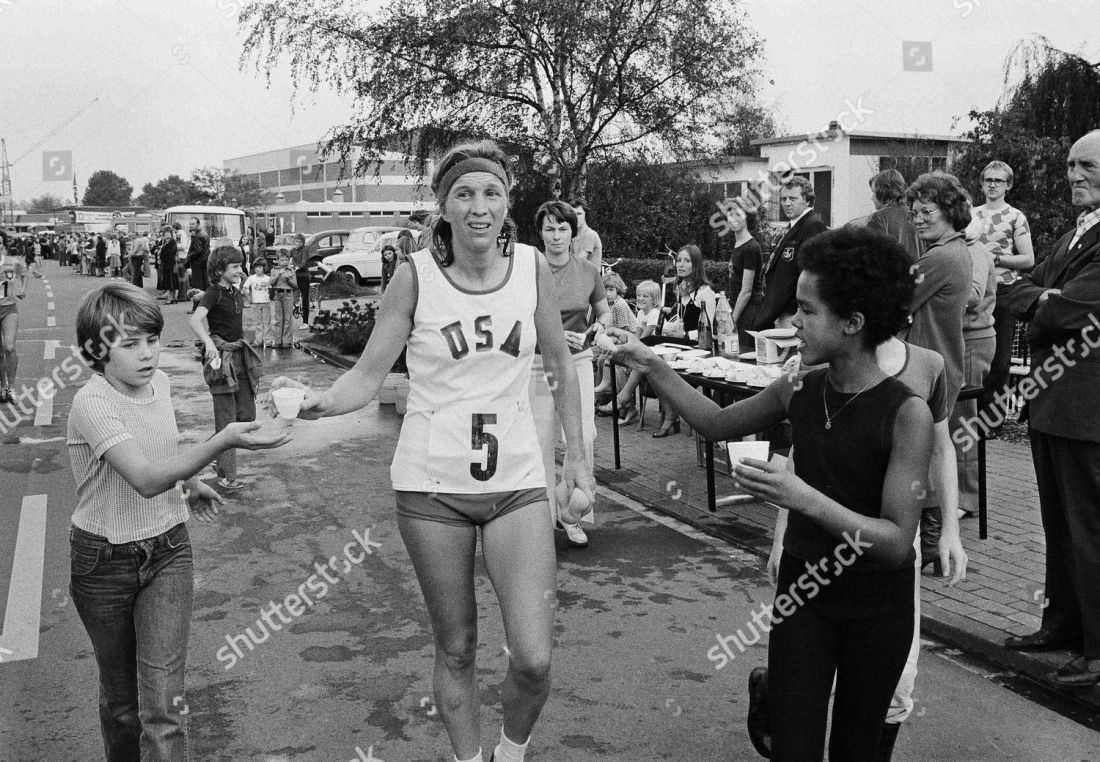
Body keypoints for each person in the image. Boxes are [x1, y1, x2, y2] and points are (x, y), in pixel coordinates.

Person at [268, 139, 594, 762]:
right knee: (458, 647)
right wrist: (310, 404)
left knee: (533, 656)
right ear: (443, 206)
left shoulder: (530, 268)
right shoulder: (413, 277)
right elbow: (367, 377)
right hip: (431, 490)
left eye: (491, 192)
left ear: (508, 203)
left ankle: (511, 751)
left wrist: (576, 459)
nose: (479, 207)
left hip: (519, 483)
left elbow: (560, 364)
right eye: (463, 194)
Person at [602, 225, 934, 760]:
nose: (791, 321)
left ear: (852, 323)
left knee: (858, 749)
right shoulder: (799, 384)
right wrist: (652, 364)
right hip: (804, 592)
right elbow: (714, 422)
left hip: (877, 608)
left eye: (806, 311)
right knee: (793, 746)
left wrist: (799, 496)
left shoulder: (906, 413)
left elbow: (897, 542)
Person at [67, 282, 289, 761]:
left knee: (164, 706)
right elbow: (144, 478)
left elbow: (159, 451)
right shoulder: (93, 402)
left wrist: (188, 484)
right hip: (103, 561)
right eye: (130, 345)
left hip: (168, 550)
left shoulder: (161, 383)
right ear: (98, 352)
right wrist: (223, 440)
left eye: (152, 339)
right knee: (123, 705)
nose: (147, 354)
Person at [766, 332, 968, 759]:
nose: (798, 321)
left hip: (888, 545)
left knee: (896, 686)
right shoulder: (816, 375)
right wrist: (781, 535)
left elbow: (942, 447)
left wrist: (951, 527)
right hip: (816, 560)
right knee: (801, 697)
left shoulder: (927, 367)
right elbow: (802, 457)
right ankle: (773, 697)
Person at [1001, 130, 1100, 688]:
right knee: (1059, 526)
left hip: (1086, 410)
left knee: (1090, 529)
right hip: (1052, 402)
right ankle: (1061, 626)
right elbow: (1019, 293)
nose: (1073, 175)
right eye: (1069, 165)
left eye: (1087, 165)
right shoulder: (1071, 237)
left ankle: (1098, 650)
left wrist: (1041, 302)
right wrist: (1045, 302)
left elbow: (1074, 312)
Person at [530, 199, 611, 548]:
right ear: (541, 233)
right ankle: (543, 520)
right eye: (550, 228)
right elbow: (516, 321)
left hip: (577, 361)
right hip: (537, 364)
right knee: (541, 438)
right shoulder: (528, 271)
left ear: (573, 232)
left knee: (585, 436)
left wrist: (598, 330)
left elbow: (604, 313)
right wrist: (551, 333)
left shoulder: (588, 271)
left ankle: (572, 512)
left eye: (563, 228)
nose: (557, 235)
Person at [903, 171, 972, 557]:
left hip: (929, 368)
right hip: (944, 362)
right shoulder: (957, 251)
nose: (918, 218)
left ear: (949, 210)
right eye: (914, 212)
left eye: (927, 211)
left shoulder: (940, 257)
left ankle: (930, 542)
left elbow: (896, 302)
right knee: (932, 451)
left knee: (927, 454)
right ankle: (931, 541)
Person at [190, 246, 262, 492]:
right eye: (234, 267)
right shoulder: (214, 293)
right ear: (220, 269)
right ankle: (225, 476)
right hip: (221, 359)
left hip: (240, 355)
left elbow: (238, 305)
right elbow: (195, 320)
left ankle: (212, 452)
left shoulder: (232, 291)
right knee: (227, 421)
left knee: (247, 415)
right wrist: (208, 343)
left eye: (240, 266)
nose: (240, 270)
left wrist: (235, 286)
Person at [972, 160, 1035, 438]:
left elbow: (1028, 259)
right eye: (989, 180)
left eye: (999, 180)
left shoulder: (1015, 217)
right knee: (974, 356)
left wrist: (994, 257)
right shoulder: (972, 215)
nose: (993, 185)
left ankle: (991, 424)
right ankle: (970, 419)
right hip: (975, 293)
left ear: (1008, 184)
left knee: (1000, 360)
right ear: (982, 183)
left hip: (1004, 292)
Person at [954, 223, 998, 518]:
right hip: (961, 339)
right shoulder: (959, 250)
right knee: (958, 418)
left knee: (965, 420)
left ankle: (967, 498)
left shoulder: (976, 252)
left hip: (973, 339)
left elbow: (973, 295)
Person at [653, 244, 717, 437]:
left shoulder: (705, 292)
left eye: (686, 261)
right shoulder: (681, 289)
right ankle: (672, 414)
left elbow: (709, 329)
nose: (681, 264)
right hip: (679, 345)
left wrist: (685, 335)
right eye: (679, 260)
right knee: (652, 365)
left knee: (663, 369)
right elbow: (681, 320)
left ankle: (671, 416)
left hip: (697, 347)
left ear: (695, 264)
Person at [754, 176, 828, 331]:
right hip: (780, 313)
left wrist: (796, 310)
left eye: (793, 198)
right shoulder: (794, 226)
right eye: (784, 199)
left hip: (793, 316)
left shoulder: (812, 226)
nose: (787, 203)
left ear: (807, 200)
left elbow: (811, 275)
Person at [592, 271, 637, 403]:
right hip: (614, 336)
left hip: (628, 337)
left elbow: (624, 331)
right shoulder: (606, 305)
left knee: (603, 357)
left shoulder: (620, 305)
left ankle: (606, 387)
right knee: (591, 356)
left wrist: (608, 341)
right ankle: (601, 396)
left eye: (611, 289)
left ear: (618, 291)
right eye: (604, 289)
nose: (607, 293)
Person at [725, 202, 763, 350]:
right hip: (737, 306)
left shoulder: (751, 247)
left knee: (744, 352)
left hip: (749, 309)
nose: (733, 219)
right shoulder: (738, 244)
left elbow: (746, 291)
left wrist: (732, 320)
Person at [866, 169, 923, 264]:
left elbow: (872, 259)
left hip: (894, 276)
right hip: (919, 275)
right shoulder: (916, 215)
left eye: (874, 192)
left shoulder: (878, 218)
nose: (871, 198)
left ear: (883, 192)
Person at [1, 241, 28, 403]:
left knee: (9, 348)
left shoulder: (12, 262)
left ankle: (11, 388)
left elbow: (24, 273)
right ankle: (3, 386)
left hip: (9, 309)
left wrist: (23, 289)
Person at [268, 251, 298, 349]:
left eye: (286, 260)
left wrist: (288, 280)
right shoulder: (274, 270)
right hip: (277, 294)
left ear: (289, 260)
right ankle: (278, 341)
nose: (284, 262)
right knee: (278, 319)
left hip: (288, 294)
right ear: (278, 260)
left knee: (287, 318)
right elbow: (271, 282)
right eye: (282, 260)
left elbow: (295, 285)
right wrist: (278, 275)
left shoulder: (291, 270)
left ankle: (287, 341)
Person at [242, 259, 273, 348]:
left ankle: (268, 340)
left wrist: (269, 297)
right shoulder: (251, 278)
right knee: (258, 323)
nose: (257, 269)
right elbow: (244, 288)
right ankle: (258, 340)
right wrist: (249, 298)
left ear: (264, 268)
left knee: (267, 323)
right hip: (255, 303)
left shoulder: (268, 278)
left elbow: (270, 290)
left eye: (259, 267)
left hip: (266, 303)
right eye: (256, 267)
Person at [568, 197, 603, 271]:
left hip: (591, 280)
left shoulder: (589, 234)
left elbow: (579, 261)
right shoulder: (574, 235)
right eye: (573, 214)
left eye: (579, 214)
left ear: (585, 215)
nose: (576, 218)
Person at [291, 232, 313, 327]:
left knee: (305, 299)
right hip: (295, 276)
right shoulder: (292, 250)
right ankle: (295, 306)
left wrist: (297, 267)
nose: (298, 243)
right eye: (296, 241)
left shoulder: (305, 250)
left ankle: (305, 322)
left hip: (303, 276)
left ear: (303, 242)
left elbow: (304, 262)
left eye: (300, 241)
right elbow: (286, 257)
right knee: (290, 294)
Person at [184, 217, 210, 293]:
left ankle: (198, 302)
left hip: (198, 262)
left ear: (198, 224)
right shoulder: (204, 233)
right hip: (204, 261)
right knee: (205, 283)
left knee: (198, 284)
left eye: (193, 224)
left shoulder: (198, 235)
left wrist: (188, 257)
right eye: (190, 224)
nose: (191, 225)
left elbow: (197, 250)